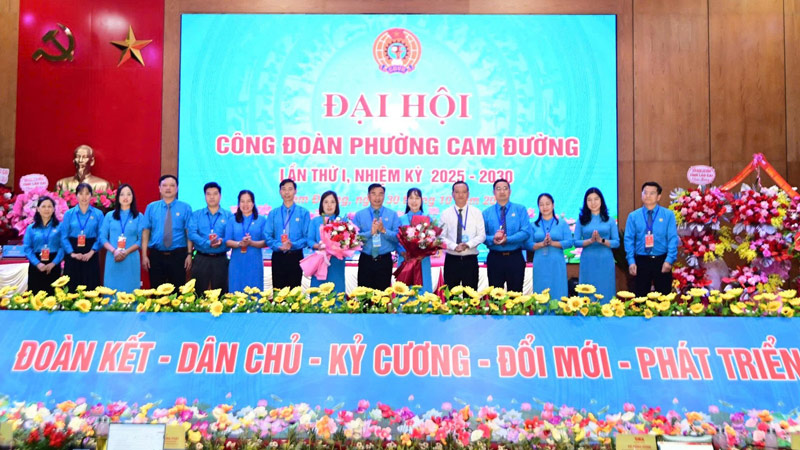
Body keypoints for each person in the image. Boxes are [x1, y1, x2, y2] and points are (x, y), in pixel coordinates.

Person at [624, 181, 679, 296]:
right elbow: (628, 239)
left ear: (659, 196)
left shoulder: (668, 215)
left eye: (652, 193)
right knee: (640, 298)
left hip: (662, 260)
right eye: (645, 192)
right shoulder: (633, 216)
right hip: (641, 261)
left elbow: (673, 239)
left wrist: (669, 260)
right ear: (641, 195)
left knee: (664, 299)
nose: (648, 196)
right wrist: (631, 261)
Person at [141, 175, 193, 287]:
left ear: (177, 188)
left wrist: (189, 254)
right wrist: (144, 255)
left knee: (177, 292)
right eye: (164, 185)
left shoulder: (185, 207)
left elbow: (189, 233)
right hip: (156, 256)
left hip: (178, 256)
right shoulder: (151, 207)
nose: (168, 188)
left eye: (172, 185)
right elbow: (146, 232)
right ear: (159, 188)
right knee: (156, 291)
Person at [482, 179, 530, 292]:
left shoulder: (520, 210)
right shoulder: (486, 213)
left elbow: (526, 232)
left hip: (515, 258)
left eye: (505, 188)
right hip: (495, 258)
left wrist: (507, 239)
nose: (502, 191)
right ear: (493, 192)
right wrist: (493, 239)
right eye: (498, 189)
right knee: (495, 296)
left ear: (510, 191)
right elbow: (482, 235)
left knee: (516, 296)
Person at [574, 187, 620, 301]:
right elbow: (575, 242)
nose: (593, 203)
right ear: (585, 202)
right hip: (588, 260)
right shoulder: (581, 220)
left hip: (605, 259)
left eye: (596, 199)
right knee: (587, 290)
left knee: (605, 288)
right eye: (589, 200)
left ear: (601, 201)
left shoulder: (609, 220)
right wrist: (590, 241)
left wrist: (601, 240)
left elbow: (616, 242)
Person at [265, 179, 310, 289]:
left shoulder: (303, 213)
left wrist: (293, 244)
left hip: (295, 256)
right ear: (280, 192)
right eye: (284, 189)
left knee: (295, 293)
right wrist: (278, 246)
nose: (287, 192)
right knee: (278, 292)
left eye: (290, 189)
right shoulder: (273, 213)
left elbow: (307, 237)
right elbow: (267, 235)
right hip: (278, 257)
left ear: (295, 191)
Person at [354, 183, 400, 290]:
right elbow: (354, 239)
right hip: (366, 260)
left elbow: (398, 237)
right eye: (373, 194)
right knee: (364, 298)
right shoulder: (360, 215)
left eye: (380, 194)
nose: (377, 197)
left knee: (382, 299)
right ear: (368, 196)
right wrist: (370, 232)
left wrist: (384, 230)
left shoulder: (392, 215)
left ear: (384, 196)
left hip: (384, 261)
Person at [440, 181, 486, 289]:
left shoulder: (476, 212)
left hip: (470, 260)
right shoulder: (445, 213)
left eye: (463, 192)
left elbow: (482, 235)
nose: (460, 195)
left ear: (468, 194)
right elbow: (441, 237)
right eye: (457, 192)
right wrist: (454, 246)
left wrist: (468, 244)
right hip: (452, 260)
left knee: (470, 297)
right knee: (450, 296)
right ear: (452, 194)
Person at [188, 182, 232, 293]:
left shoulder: (229, 216)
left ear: (220, 196)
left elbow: (231, 236)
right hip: (200, 258)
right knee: (198, 293)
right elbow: (192, 234)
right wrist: (208, 243)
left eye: (215, 194)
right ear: (205, 196)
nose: (212, 197)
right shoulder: (196, 215)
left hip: (221, 259)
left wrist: (222, 241)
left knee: (221, 295)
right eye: (208, 194)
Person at [99, 184, 143, 293]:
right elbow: (102, 237)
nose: (125, 197)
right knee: (112, 291)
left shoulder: (139, 216)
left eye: (129, 194)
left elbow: (142, 240)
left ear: (133, 197)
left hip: (131, 258)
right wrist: (114, 251)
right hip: (113, 257)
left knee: (130, 291)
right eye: (122, 194)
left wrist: (126, 252)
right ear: (118, 197)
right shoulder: (109, 216)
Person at [60, 183, 104, 291]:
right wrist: (72, 253)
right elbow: (63, 237)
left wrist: (92, 252)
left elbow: (101, 236)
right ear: (76, 196)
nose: (84, 197)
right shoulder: (69, 214)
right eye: (81, 193)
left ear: (91, 196)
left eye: (87, 194)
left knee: (91, 287)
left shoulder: (98, 214)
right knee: (71, 288)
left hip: (91, 253)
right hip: (73, 253)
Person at [529, 193, 573, 299]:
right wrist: (541, 244)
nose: (545, 207)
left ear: (553, 205)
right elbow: (528, 244)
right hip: (540, 262)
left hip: (557, 262)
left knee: (557, 289)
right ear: (538, 207)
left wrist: (553, 243)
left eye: (547, 204)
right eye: (541, 204)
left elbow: (569, 242)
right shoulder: (533, 225)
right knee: (541, 290)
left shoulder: (562, 224)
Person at [226, 190, 267, 292]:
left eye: (248, 201)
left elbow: (266, 242)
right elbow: (227, 241)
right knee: (236, 290)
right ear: (238, 204)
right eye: (242, 201)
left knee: (254, 291)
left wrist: (251, 243)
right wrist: (240, 243)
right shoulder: (232, 220)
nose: (245, 204)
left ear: (253, 203)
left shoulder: (261, 220)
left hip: (254, 262)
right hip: (237, 262)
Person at [306, 190, 346, 292]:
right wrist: (318, 246)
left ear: (336, 205)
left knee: (336, 291)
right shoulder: (315, 221)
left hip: (336, 262)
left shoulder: (343, 221)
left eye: (332, 202)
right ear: (321, 205)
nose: (329, 205)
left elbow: (348, 241)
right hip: (320, 261)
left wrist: (340, 247)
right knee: (318, 293)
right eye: (326, 202)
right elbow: (309, 240)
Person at [23, 197, 64, 294]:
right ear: (38, 209)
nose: (47, 209)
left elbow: (63, 247)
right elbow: (27, 248)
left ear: (54, 209)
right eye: (44, 206)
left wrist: (53, 263)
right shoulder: (31, 228)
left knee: (53, 296)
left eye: (50, 206)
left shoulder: (60, 227)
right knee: (36, 296)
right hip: (36, 263)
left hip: (54, 263)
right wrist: (37, 263)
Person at [397, 188, 433, 292]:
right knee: (404, 292)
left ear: (421, 200)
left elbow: (433, 240)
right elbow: (396, 241)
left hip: (422, 261)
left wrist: (424, 252)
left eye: (417, 198)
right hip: (405, 260)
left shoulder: (428, 219)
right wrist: (403, 252)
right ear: (407, 200)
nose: (414, 201)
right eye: (411, 198)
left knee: (423, 292)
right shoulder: (401, 220)